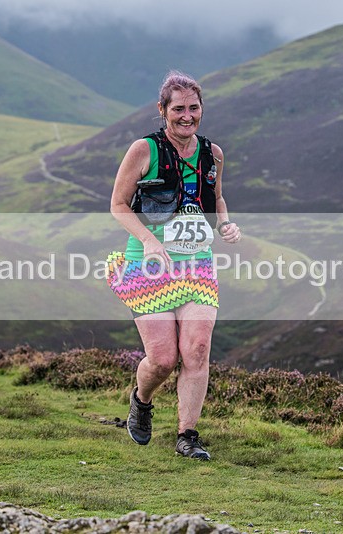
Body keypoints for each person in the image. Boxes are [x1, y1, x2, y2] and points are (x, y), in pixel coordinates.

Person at [107, 70, 241, 460]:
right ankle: (142, 399)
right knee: (163, 359)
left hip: (197, 264)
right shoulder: (143, 150)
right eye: (178, 108)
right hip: (147, 265)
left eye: (194, 108)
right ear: (162, 110)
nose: (187, 116)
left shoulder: (213, 153)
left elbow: (215, 199)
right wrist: (149, 241)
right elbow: (118, 205)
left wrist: (227, 225)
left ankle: (188, 436)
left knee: (197, 349)